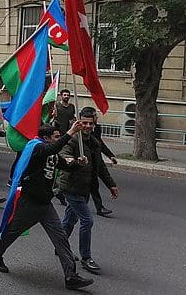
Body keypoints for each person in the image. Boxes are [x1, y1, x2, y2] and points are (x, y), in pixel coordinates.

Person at [0, 123, 95, 291]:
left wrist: (77, 163)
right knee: (12, 231)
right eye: (56, 137)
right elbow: (50, 150)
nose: (59, 139)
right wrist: (71, 131)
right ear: (46, 138)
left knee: (60, 238)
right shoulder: (37, 148)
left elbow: (63, 164)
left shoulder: (51, 153)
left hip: (45, 203)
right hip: (29, 201)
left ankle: (71, 276)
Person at [58, 108, 120, 274]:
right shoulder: (73, 139)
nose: (87, 126)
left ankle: (60, 246)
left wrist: (111, 184)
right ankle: (86, 257)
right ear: (78, 121)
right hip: (71, 187)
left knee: (70, 220)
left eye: (90, 123)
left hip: (85, 188)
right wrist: (72, 160)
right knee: (87, 220)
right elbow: (64, 153)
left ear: (94, 123)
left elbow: (100, 167)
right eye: (84, 123)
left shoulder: (93, 142)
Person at [85, 107, 117, 217]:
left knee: (94, 185)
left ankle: (99, 207)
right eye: (95, 115)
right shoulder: (78, 132)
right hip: (85, 163)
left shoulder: (97, 128)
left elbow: (100, 144)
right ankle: (59, 191)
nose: (96, 117)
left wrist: (110, 155)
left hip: (96, 160)